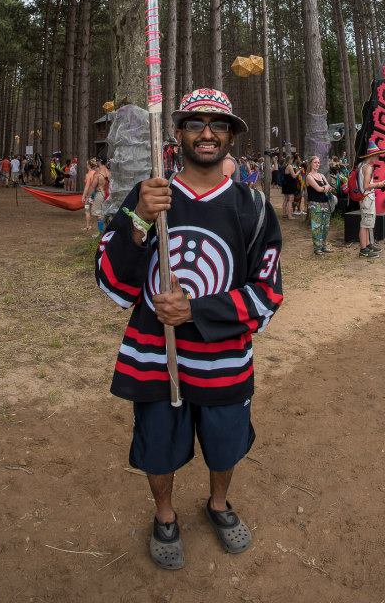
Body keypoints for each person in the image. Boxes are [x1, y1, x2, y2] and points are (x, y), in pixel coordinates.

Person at [95, 88, 282, 570]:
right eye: (195, 123)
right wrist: (138, 219)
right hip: (155, 358)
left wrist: (196, 310)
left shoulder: (253, 207)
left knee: (226, 444)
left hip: (223, 363)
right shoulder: (151, 198)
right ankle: (164, 516)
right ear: (176, 134)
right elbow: (112, 284)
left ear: (230, 137)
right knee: (158, 448)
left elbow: (267, 294)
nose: (206, 132)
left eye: (217, 124)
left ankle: (218, 504)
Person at [358, 141, 385, 259]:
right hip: (367, 198)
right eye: (377, 155)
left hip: (365, 198)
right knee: (365, 224)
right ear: (371, 156)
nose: (378, 157)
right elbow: (366, 185)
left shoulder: (361, 165)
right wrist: (379, 184)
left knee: (366, 223)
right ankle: (363, 249)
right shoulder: (368, 168)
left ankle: (367, 246)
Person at [306, 155, 333, 255]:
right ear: (311, 164)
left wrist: (325, 188)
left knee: (325, 226)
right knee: (316, 226)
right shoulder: (309, 176)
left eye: (318, 162)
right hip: (315, 204)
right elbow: (318, 189)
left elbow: (329, 187)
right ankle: (317, 248)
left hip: (325, 203)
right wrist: (325, 187)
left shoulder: (322, 175)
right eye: (315, 162)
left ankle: (324, 245)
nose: (317, 164)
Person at [280, 155, 299, 219]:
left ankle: (284, 213)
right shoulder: (290, 166)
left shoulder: (284, 166)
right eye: (292, 159)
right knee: (290, 200)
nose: (292, 160)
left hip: (285, 185)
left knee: (285, 199)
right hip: (289, 185)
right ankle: (289, 215)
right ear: (290, 159)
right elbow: (294, 176)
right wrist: (300, 171)